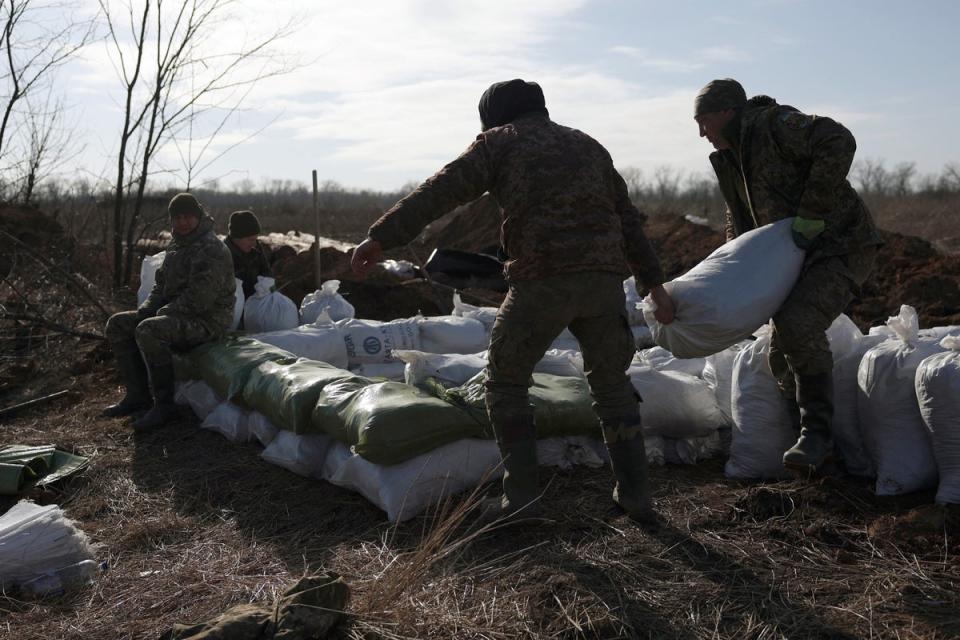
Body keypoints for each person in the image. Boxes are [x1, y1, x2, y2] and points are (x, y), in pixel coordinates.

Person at [352, 79, 675, 524]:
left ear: (494, 116)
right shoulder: (589, 146)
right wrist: (654, 285)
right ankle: (636, 496)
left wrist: (379, 238)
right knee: (613, 386)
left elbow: (440, 191)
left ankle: (520, 499)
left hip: (542, 281)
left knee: (505, 382)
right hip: (603, 283)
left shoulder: (499, 143)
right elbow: (629, 222)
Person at [693, 78, 883, 473]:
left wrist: (812, 212)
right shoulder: (731, 160)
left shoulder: (774, 126)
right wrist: (738, 273)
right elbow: (739, 220)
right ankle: (812, 444)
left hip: (839, 245)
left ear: (727, 112)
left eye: (704, 121)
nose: (701, 133)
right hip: (793, 256)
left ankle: (817, 434)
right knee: (779, 350)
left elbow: (838, 140)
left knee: (798, 323)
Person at [102, 193, 237, 429]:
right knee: (118, 324)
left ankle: (164, 405)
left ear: (198, 217)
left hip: (208, 321)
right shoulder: (177, 244)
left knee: (149, 330)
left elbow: (199, 300)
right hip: (178, 313)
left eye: (187, 217)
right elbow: (160, 285)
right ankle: (137, 395)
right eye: (177, 218)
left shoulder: (211, 248)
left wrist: (160, 314)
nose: (182, 222)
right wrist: (147, 309)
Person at [226, 209, 272, 298]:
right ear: (236, 237)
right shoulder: (222, 255)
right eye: (250, 240)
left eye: (255, 239)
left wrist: (267, 285)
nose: (254, 244)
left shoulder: (256, 248)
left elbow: (266, 271)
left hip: (258, 301)